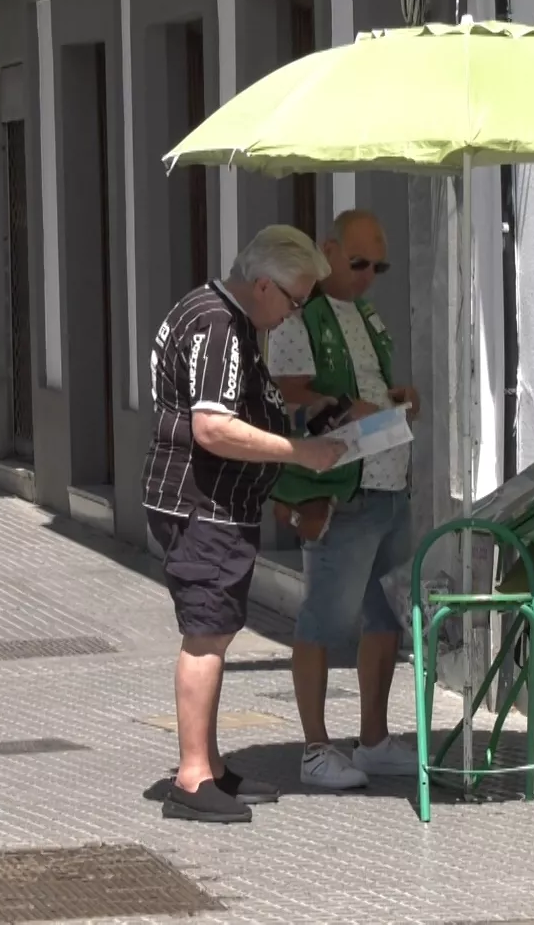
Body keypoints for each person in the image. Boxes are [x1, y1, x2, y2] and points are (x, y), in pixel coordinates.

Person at [143, 224, 347, 823]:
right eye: (295, 301)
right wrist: (299, 452)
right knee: (206, 635)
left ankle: (211, 764)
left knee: (217, 630)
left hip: (208, 502)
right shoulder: (220, 326)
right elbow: (212, 426)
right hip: (202, 504)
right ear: (263, 285)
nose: (293, 315)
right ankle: (192, 778)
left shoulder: (212, 312)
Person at [266, 210, 422, 788]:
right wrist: (341, 406)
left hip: (389, 484)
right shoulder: (297, 316)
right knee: (324, 620)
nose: (368, 276)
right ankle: (315, 748)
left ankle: (373, 739)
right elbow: (285, 395)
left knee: (385, 617)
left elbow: (370, 386)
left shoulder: (367, 315)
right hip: (341, 491)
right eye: (358, 263)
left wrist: (398, 397)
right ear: (328, 251)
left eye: (379, 267)